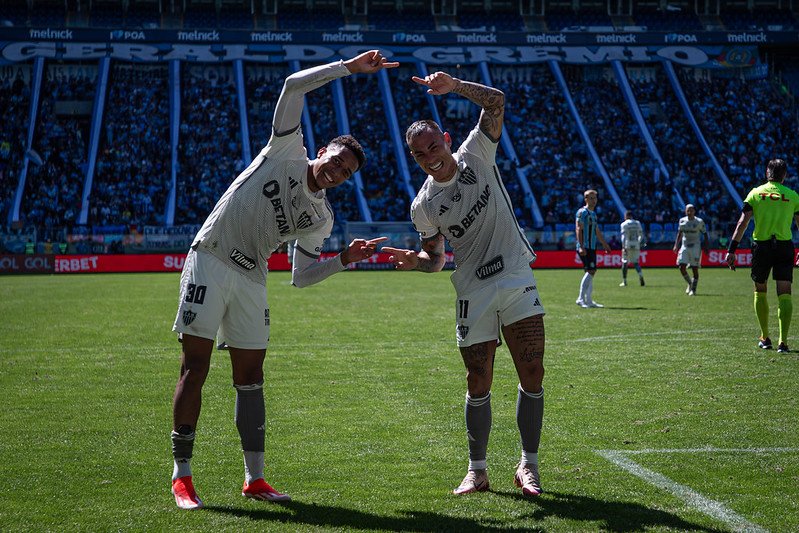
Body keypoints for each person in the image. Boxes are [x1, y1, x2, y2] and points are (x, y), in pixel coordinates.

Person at [169, 50, 398, 510]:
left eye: (346, 172)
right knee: (196, 366)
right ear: (321, 150)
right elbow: (293, 85)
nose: (338, 171)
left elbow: (301, 277)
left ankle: (255, 479)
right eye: (336, 160)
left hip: (252, 276)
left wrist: (343, 260)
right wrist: (347, 69)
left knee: (251, 376)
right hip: (211, 256)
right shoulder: (286, 149)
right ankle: (183, 476)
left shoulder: (322, 219)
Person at [381, 71, 545, 498]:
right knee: (478, 378)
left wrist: (454, 86)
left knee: (532, 369)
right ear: (413, 158)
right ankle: (478, 470)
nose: (430, 156)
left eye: (434, 146)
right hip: (472, 290)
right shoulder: (424, 207)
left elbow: (496, 102)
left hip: (514, 275)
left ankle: (528, 466)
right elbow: (435, 261)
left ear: (448, 138)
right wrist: (413, 262)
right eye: (419, 154)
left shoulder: (476, 152)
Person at [725, 158, 799, 353]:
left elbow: (743, 223)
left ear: (768, 172)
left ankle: (765, 337)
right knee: (785, 291)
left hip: (762, 246)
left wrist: (732, 250)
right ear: (784, 175)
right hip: (784, 246)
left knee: (760, 289)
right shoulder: (792, 196)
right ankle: (783, 342)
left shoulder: (756, 193)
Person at [575, 190, 611, 308]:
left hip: (592, 246)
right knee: (591, 271)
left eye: (595, 198)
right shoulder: (582, 212)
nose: (594, 200)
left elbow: (596, 230)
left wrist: (604, 244)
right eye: (591, 198)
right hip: (585, 246)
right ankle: (581, 299)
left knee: (590, 272)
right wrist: (581, 246)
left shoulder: (593, 214)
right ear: (585, 199)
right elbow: (578, 229)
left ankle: (589, 300)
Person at [673, 203, 708, 296]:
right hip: (684, 246)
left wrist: (706, 246)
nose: (689, 212)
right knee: (681, 266)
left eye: (691, 210)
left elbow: (705, 233)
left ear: (694, 211)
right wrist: (676, 245)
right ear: (685, 211)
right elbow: (679, 233)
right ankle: (690, 283)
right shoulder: (682, 221)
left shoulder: (699, 221)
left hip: (696, 247)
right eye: (688, 210)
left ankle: (693, 289)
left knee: (694, 268)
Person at [619, 211, 645, 287]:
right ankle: (641, 276)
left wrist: (623, 246)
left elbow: (623, 237)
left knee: (624, 263)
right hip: (636, 244)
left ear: (626, 216)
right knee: (636, 263)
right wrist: (638, 242)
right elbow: (641, 235)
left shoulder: (624, 224)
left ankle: (624, 281)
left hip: (627, 245)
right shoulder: (637, 223)